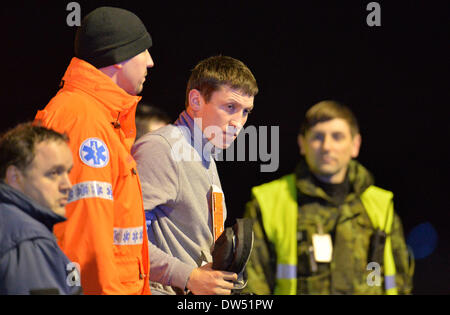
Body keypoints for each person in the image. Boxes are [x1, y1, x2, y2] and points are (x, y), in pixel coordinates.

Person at [33, 6, 154, 294]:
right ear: (119, 57)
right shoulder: (83, 121)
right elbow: (84, 244)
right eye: (143, 50)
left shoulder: (95, 116)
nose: (150, 62)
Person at [243, 100, 414, 295]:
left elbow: (398, 281)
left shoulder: (380, 205)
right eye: (317, 137)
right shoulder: (269, 202)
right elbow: (253, 284)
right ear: (302, 143)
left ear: (355, 145)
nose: (327, 146)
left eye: (337, 137)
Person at [132, 55, 258, 294]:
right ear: (196, 100)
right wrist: (189, 277)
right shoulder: (162, 149)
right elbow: (122, 237)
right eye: (230, 107)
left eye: (245, 112)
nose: (238, 123)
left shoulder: (203, 153)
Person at [0, 123, 81, 295]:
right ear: (15, 177)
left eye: (67, 172)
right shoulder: (29, 241)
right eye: (54, 173)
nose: (67, 185)